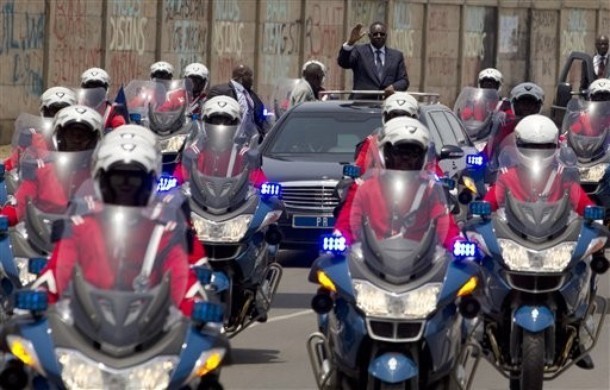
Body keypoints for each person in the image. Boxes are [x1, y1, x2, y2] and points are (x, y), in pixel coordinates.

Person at [33, 134, 205, 316]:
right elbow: (57, 271)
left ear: (150, 182)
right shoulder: (81, 225)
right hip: (86, 322)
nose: (125, 187)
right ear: (101, 180)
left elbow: (182, 279)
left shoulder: (163, 230)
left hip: (148, 327)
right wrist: (41, 294)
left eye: (135, 180)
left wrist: (195, 305)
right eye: (117, 179)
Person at [335, 117, 460, 250]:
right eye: (399, 152)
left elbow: (445, 226)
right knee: (326, 266)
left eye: (413, 153)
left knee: (467, 269)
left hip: (420, 262)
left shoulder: (430, 190)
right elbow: (348, 221)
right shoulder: (365, 187)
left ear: (423, 157)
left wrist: (456, 242)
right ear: (385, 153)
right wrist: (340, 237)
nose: (405, 158)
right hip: (372, 260)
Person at [0, 105, 103, 226]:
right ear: (59, 138)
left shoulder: (105, 177)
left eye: (83, 136)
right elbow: (18, 206)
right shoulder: (41, 172)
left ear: (95, 140)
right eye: (71, 135)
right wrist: (4, 217)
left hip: (91, 242)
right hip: (45, 240)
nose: (76, 141)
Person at [484, 115, 594, 215]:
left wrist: (592, 212)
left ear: (555, 146)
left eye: (545, 147)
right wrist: (482, 210)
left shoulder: (563, 177)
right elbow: (487, 205)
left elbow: (585, 206)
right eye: (530, 147)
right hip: (513, 235)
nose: (537, 153)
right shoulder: (507, 178)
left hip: (556, 234)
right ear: (518, 145)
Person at [174, 95, 268, 187]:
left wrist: (265, 187)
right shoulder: (193, 153)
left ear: (236, 126)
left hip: (234, 201)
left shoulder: (244, 155)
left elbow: (259, 181)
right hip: (199, 201)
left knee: (267, 202)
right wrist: (173, 182)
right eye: (214, 122)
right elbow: (179, 177)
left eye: (227, 123)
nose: (220, 127)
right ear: (206, 125)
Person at [3, 86, 77, 172]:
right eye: (53, 111)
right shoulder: (34, 139)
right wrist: (4, 167)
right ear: (44, 112)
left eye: (63, 112)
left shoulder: (81, 141)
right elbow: (14, 162)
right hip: (39, 182)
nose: (57, 117)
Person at [338, 22, 409, 99]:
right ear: (369, 36)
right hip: (361, 104)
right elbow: (343, 63)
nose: (379, 36)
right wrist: (350, 43)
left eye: (382, 34)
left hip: (387, 104)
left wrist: (394, 87)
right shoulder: (359, 51)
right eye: (375, 34)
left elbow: (404, 81)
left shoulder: (396, 56)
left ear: (386, 36)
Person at [483, 82, 545, 163]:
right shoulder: (505, 128)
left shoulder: (545, 129)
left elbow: (555, 154)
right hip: (504, 172)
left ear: (538, 107)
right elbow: (488, 152)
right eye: (522, 104)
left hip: (537, 172)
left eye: (531, 104)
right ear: (513, 105)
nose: (526, 109)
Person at [207, 64, 270, 138]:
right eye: (249, 76)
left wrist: (267, 133)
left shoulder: (251, 95)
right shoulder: (221, 91)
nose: (252, 80)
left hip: (250, 140)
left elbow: (260, 116)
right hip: (229, 138)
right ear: (241, 78)